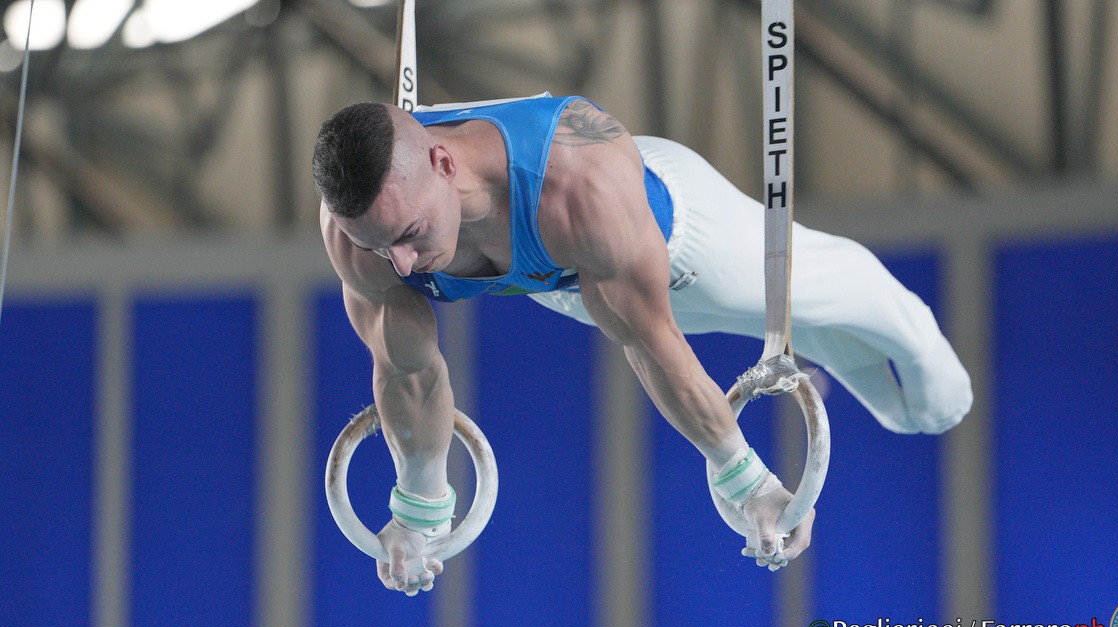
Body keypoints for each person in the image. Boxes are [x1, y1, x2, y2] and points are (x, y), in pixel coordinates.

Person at [312, 93, 972, 596]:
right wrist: (420, 509)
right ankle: (864, 371)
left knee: (850, 297)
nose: (402, 264)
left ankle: (919, 345)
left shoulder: (576, 184)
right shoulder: (360, 236)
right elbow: (408, 372)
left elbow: (649, 341)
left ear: (443, 163)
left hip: (685, 240)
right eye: (380, 246)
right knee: (830, 340)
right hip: (575, 283)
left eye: (410, 235)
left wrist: (748, 481)